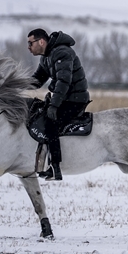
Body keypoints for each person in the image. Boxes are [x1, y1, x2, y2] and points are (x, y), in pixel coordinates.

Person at [27, 28, 90, 181]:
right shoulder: (46, 57)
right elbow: (36, 80)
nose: (28, 47)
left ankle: (55, 167)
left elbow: (63, 82)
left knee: (50, 122)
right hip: (65, 98)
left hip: (75, 100)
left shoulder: (62, 52)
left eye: (30, 43)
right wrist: (12, 84)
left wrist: (54, 106)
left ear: (41, 41)